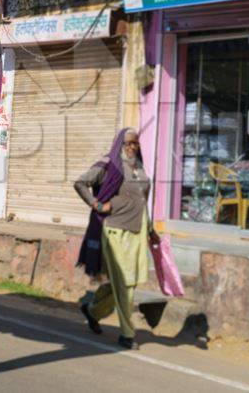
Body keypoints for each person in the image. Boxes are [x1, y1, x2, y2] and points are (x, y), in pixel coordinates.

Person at [74, 128, 159, 350]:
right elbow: (81, 183)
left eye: (136, 143)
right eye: (128, 143)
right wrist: (96, 204)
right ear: (119, 143)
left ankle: (92, 311)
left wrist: (150, 229)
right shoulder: (108, 163)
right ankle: (127, 333)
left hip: (137, 231)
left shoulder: (139, 168)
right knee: (124, 283)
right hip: (114, 230)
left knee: (128, 280)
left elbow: (143, 201)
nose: (132, 147)